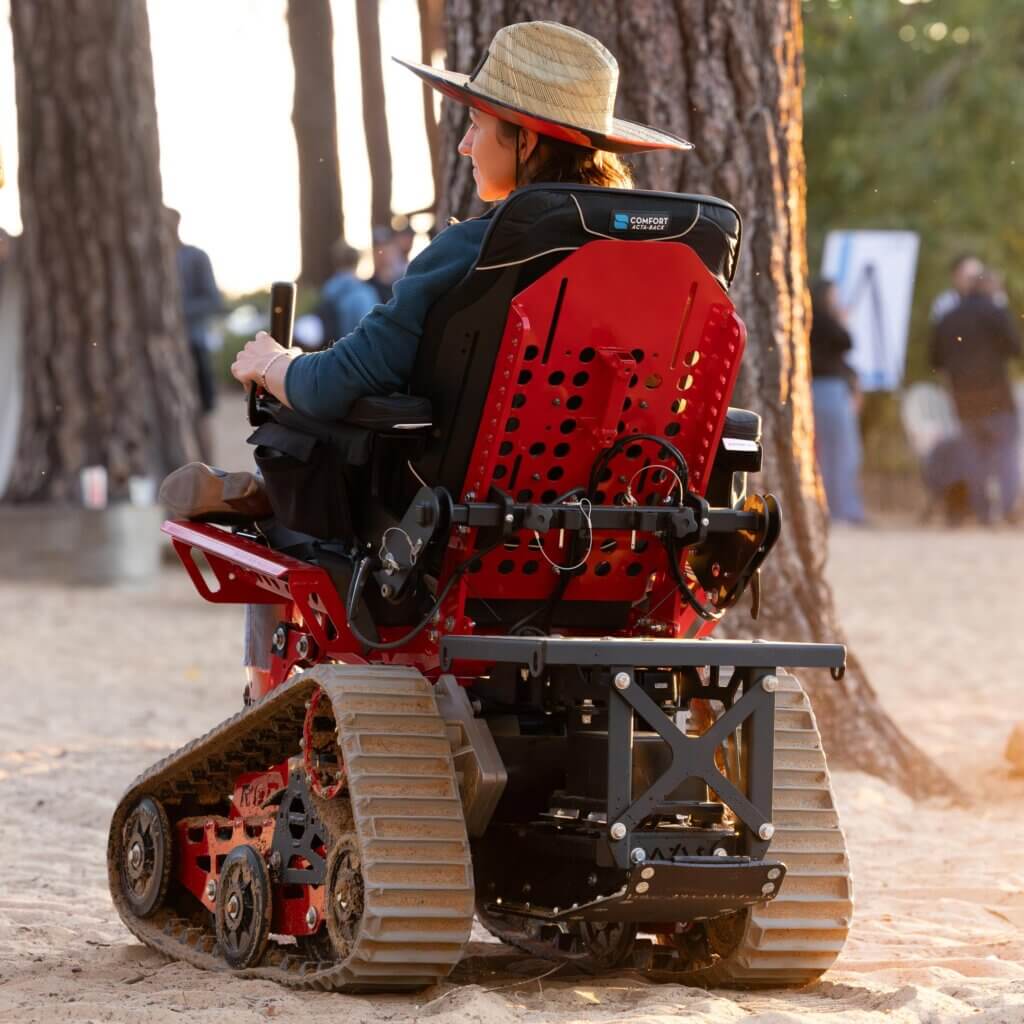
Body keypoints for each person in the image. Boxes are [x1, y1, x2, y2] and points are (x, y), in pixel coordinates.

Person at [167, 21, 692, 690]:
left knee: (288, 466)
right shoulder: (657, 263)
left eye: (477, 125)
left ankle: (261, 700)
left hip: (448, 541)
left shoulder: (478, 249)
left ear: (525, 139)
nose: (467, 145)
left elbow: (339, 383)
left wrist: (272, 365)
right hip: (617, 541)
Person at [930, 266, 1022, 524]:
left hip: (963, 397)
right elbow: (1015, 348)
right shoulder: (996, 312)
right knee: (1005, 452)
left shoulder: (947, 317)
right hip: (996, 396)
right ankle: (1007, 509)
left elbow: (935, 358)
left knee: (973, 456)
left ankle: (982, 513)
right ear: (991, 287)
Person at [167, 208, 223, 462]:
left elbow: (213, 300)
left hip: (193, 343)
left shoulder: (195, 257)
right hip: (161, 350)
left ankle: (207, 470)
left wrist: (175, 313)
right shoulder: (145, 260)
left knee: (201, 410)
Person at [809, 278, 866, 524]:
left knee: (828, 452)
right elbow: (847, 341)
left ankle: (831, 506)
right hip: (830, 390)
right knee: (842, 452)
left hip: (818, 389)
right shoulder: (824, 320)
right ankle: (844, 508)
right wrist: (841, 320)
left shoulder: (808, 320)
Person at [315, 239, 379, 346]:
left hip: (330, 353)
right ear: (357, 262)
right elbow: (371, 331)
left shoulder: (327, 289)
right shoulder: (364, 293)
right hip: (356, 354)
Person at [929, 252, 984, 324]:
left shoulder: (989, 301)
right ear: (955, 276)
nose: (973, 283)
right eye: (969, 278)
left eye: (977, 278)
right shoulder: (945, 302)